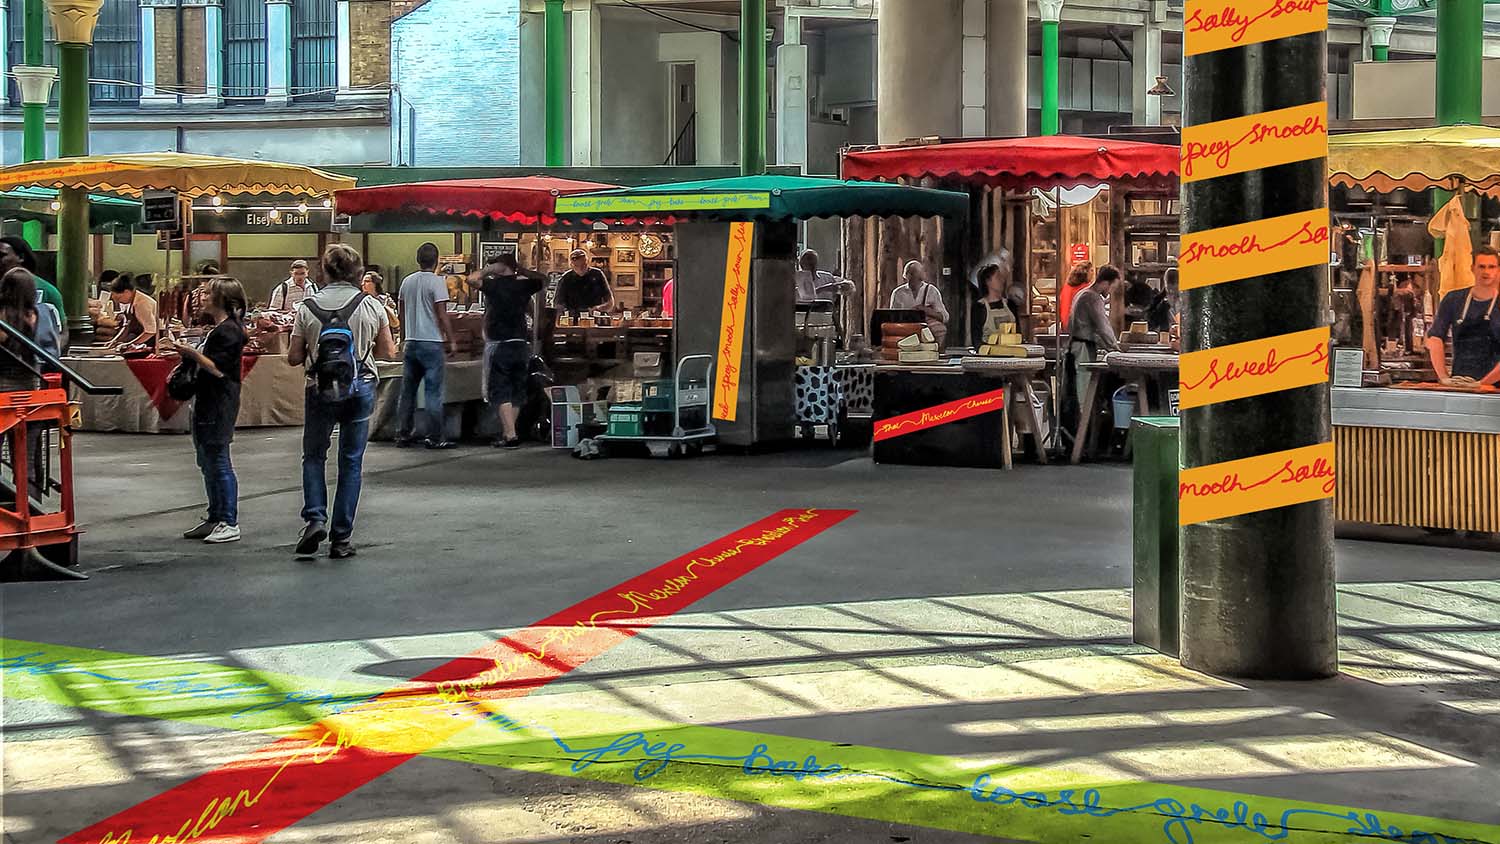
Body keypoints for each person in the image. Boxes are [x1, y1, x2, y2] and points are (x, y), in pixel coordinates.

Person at [288, 244, 397, 559]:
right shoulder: (371, 305)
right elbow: (388, 352)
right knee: (351, 461)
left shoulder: (307, 306)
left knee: (313, 456)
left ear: (323, 271)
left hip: (318, 388)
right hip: (360, 385)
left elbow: (295, 357)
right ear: (358, 273)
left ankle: (314, 517)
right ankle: (341, 538)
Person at [162, 278, 248, 545]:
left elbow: (219, 368)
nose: (201, 297)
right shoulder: (221, 329)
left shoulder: (228, 331)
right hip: (208, 399)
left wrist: (189, 352)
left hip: (218, 401)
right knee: (207, 459)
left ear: (223, 299)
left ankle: (228, 520)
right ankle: (215, 516)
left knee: (218, 459)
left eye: (208, 293)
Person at [472, 253, 546, 449]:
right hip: (521, 343)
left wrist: (489, 270)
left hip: (500, 343)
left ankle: (511, 434)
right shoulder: (524, 285)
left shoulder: (494, 285)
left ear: (501, 266)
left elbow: (471, 279)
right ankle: (508, 433)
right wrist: (520, 270)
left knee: (501, 389)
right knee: (517, 390)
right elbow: (543, 279)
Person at [395, 243, 456, 449]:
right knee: (433, 392)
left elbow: (401, 313)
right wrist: (452, 339)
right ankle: (434, 436)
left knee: (408, 391)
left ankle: (403, 433)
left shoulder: (406, 282)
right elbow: (442, 314)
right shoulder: (438, 283)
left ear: (417, 259)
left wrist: (403, 337)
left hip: (411, 342)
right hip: (432, 342)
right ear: (437, 260)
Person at [1426, 246, 1500, 387]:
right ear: (1472, 268)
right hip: (1460, 386)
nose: (1486, 272)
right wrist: (1444, 377)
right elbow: (1435, 339)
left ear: (1498, 270)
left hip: (1495, 391)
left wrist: (1482, 384)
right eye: (1481, 267)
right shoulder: (1453, 299)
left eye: (1491, 267)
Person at [1067, 265, 1122, 409]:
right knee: (1084, 390)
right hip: (1083, 347)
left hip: (1078, 345)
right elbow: (1103, 327)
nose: (1110, 292)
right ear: (1105, 283)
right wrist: (1116, 348)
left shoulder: (1082, 293)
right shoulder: (1093, 297)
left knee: (1080, 387)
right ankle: (1083, 426)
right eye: (1111, 288)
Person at [889, 260, 949, 349]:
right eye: (910, 276)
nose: (912, 280)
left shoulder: (931, 291)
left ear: (921, 277)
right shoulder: (898, 293)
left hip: (926, 325)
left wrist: (926, 311)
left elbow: (944, 317)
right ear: (906, 276)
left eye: (915, 277)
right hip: (905, 325)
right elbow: (892, 316)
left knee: (939, 330)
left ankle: (936, 352)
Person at [969, 259, 1018, 347]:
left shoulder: (1011, 305)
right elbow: (976, 340)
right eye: (998, 277)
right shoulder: (979, 307)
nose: (1002, 280)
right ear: (988, 282)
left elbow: (1018, 334)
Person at [106, 274, 159, 352]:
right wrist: (115, 341)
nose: (118, 301)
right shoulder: (130, 302)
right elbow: (127, 326)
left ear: (127, 292)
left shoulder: (142, 303)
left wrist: (130, 344)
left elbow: (150, 331)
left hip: (151, 342)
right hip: (139, 339)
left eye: (118, 298)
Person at [555, 249, 614, 318]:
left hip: (594, 317)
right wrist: (564, 313)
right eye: (576, 265)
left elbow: (610, 301)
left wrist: (599, 308)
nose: (580, 268)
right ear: (571, 265)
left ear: (588, 262)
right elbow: (558, 303)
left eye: (583, 265)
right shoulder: (566, 278)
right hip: (572, 319)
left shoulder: (597, 274)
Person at [1058, 261, 1093, 331]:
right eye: (1091, 270)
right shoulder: (1086, 289)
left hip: (1066, 326)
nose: (1093, 273)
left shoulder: (1066, 288)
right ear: (1085, 273)